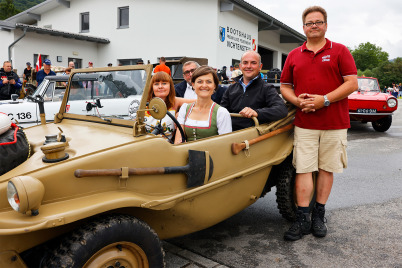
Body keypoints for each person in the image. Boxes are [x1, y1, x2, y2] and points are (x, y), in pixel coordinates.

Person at [280, 6, 358, 241]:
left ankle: (318, 215)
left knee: (326, 169)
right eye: (309, 23)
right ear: (303, 27)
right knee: (303, 168)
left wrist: (324, 100)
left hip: (334, 123)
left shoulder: (340, 51)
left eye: (318, 22)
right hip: (305, 123)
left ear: (326, 25)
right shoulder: (294, 54)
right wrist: (297, 101)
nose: (314, 26)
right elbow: (285, 86)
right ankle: (302, 218)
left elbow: (352, 83)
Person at [220, 50, 288, 131]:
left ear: (260, 67)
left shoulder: (267, 88)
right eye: (245, 63)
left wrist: (257, 113)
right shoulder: (231, 88)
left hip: (252, 137)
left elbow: (281, 110)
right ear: (240, 66)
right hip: (228, 133)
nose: (249, 66)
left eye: (253, 63)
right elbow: (222, 111)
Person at [175, 66, 232, 143]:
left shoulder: (221, 113)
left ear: (215, 85)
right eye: (200, 82)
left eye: (209, 82)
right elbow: (177, 142)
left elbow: (225, 145)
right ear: (193, 85)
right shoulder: (184, 109)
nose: (204, 85)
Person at [145, 71, 194, 141]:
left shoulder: (175, 102)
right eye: (156, 84)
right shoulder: (144, 104)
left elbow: (200, 102)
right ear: (152, 87)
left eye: (164, 83)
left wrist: (180, 113)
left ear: (170, 86)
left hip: (168, 148)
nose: (160, 86)